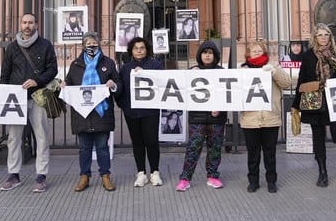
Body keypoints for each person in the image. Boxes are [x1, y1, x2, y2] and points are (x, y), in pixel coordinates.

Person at [293, 23, 336, 190]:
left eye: (326, 34)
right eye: (320, 35)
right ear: (314, 38)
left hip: (335, 102)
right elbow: (302, 79)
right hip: (314, 102)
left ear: (330, 37)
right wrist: (296, 105)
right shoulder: (308, 56)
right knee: (318, 138)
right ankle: (322, 172)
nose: (323, 37)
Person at [0, 13, 58, 193]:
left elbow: (53, 69)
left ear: (36, 24)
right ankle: (13, 174)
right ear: (20, 24)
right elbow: (5, 72)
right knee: (13, 137)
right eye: (24, 22)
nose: (27, 25)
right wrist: (5, 93)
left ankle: (41, 175)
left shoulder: (45, 45)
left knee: (41, 136)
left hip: (38, 96)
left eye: (30, 22)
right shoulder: (12, 47)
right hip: (16, 99)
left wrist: (37, 81)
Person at [64, 32, 120, 192]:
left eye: (94, 43)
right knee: (84, 148)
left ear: (99, 44)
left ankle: (105, 176)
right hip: (82, 113)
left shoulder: (108, 63)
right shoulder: (75, 64)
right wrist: (64, 84)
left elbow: (118, 83)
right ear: (83, 46)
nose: (91, 46)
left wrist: (113, 84)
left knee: (102, 146)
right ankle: (84, 176)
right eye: (88, 43)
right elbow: (70, 81)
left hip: (101, 113)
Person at [239, 40, 291, 193]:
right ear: (248, 54)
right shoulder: (242, 70)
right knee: (253, 153)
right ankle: (253, 181)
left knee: (270, 153)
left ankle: (271, 181)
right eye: (253, 51)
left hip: (270, 117)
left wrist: (274, 72)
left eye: (259, 50)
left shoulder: (273, 66)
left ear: (265, 52)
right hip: (250, 118)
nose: (256, 53)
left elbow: (286, 83)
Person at [175, 41, 228, 191]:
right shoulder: (193, 72)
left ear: (215, 56)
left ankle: (213, 176)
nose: (207, 55)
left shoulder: (223, 72)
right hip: (197, 118)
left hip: (217, 118)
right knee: (193, 148)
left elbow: (229, 94)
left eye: (210, 53)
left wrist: (220, 108)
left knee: (215, 148)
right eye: (205, 52)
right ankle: (185, 178)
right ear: (200, 55)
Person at [118, 36, 165, 187]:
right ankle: (141, 173)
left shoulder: (156, 65)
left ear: (147, 49)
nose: (139, 51)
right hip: (131, 112)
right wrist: (124, 106)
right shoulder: (125, 68)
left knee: (151, 141)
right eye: (136, 48)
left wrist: (145, 73)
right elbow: (121, 89)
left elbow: (162, 83)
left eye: (142, 48)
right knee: (137, 142)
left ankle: (155, 172)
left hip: (150, 111)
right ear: (131, 50)